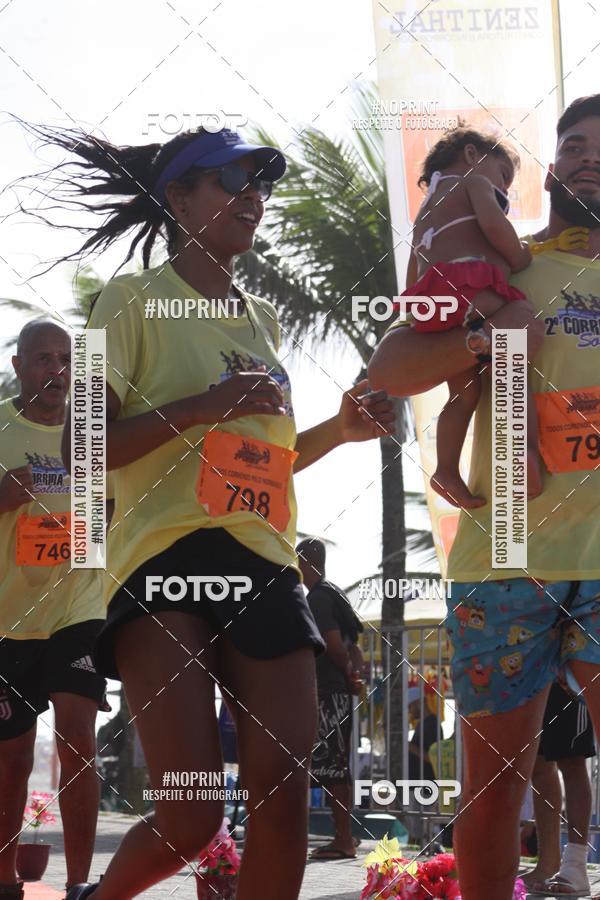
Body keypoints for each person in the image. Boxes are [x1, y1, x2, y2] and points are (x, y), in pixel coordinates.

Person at [21, 123, 396, 900]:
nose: (251, 197)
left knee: (285, 799)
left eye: (260, 184)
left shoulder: (264, 319)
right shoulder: (128, 301)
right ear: (179, 198)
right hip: (167, 565)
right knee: (192, 815)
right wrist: (200, 406)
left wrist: (340, 428)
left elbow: (267, 457)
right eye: (230, 181)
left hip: (265, 565)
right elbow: (82, 445)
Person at [368, 94, 600, 900]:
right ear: (553, 167)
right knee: (496, 784)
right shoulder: (504, 263)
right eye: (574, 145)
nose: (587, 158)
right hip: (505, 556)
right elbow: (391, 371)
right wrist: (482, 339)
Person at [0, 320, 106, 898]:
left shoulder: (93, 433)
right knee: (12, 760)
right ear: (18, 367)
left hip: (78, 606)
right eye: (43, 359)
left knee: (76, 738)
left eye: (66, 359)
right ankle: (5, 879)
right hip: (8, 619)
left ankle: (81, 882)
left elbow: (117, 505)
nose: (56, 370)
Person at [400, 125, 544, 509]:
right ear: (471, 154)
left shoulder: (427, 208)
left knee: (464, 395)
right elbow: (494, 225)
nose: (504, 190)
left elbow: (413, 269)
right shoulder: (473, 179)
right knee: (518, 343)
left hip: (432, 305)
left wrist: (417, 316)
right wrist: (520, 257)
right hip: (471, 289)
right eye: (504, 176)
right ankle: (522, 452)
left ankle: (446, 468)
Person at [296, 536, 364, 861]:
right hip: (338, 691)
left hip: (328, 692)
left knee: (333, 765)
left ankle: (344, 839)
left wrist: (347, 674)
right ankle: (344, 836)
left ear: (306, 561)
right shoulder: (336, 593)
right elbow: (356, 646)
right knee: (336, 764)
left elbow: (335, 645)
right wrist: (354, 675)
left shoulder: (318, 599)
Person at [523, 679, 596, 895]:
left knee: (572, 759)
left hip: (570, 661)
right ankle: (548, 863)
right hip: (534, 667)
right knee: (538, 763)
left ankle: (575, 866)